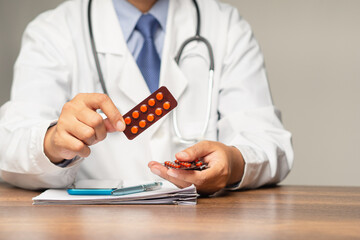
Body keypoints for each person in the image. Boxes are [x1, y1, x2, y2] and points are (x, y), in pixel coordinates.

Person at [0, 0, 293, 195]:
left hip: (202, 227)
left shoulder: (226, 25)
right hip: (93, 230)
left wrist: (235, 163)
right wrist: (52, 142)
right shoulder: (52, 30)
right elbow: (10, 146)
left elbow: (268, 142)